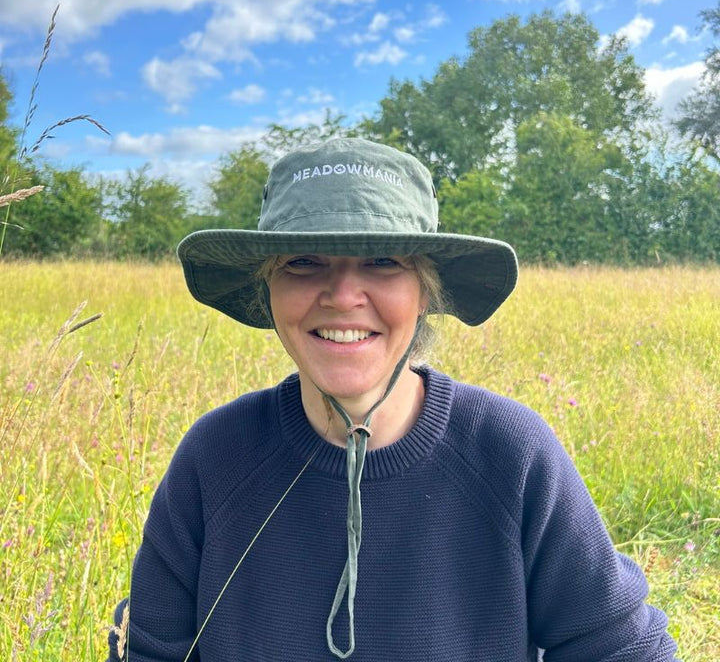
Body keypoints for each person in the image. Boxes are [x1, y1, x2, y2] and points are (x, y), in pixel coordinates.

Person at [108, 137, 679, 661]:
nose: (343, 296)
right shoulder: (216, 457)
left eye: (383, 261)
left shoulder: (510, 453)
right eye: (303, 263)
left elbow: (623, 647)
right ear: (267, 290)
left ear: (426, 290)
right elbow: (150, 650)